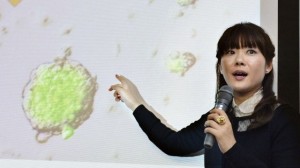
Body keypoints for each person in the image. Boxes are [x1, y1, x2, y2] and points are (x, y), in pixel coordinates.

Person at [108, 22, 300, 167]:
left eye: (250, 51)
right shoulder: (220, 116)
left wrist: (230, 147)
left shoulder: (285, 119)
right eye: (230, 51)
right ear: (221, 67)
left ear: (268, 65)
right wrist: (135, 102)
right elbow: (175, 143)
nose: (239, 60)